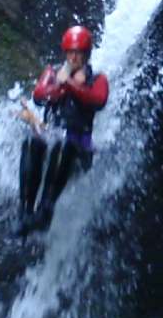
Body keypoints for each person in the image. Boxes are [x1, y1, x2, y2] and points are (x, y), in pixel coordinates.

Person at [15, 26, 109, 237]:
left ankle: (46, 210)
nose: (74, 57)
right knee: (33, 142)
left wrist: (72, 86)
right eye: (71, 52)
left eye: (79, 53)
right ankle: (25, 210)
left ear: (86, 54)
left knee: (64, 144)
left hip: (78, 147)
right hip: (53, 137)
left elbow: (98, 100)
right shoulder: (53, 72)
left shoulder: (98, 79)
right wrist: (63, 84)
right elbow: (39, 95)